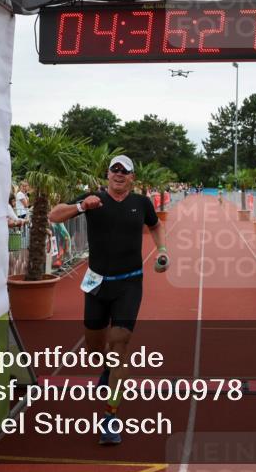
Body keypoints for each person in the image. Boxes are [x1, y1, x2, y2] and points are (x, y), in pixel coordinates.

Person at [48, 154, 168, 446]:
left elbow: (154, 226)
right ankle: (107, 369)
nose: (118, 174)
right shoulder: (93, 199)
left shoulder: (141, 203)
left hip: (130, 282)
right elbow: (54, 215)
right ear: (107, 174)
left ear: (132, 177)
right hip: (97, 284)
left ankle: (110, 417)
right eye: (114, 169)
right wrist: (80, 206)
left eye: (124, 171)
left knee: (120, 341)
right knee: (94, 348)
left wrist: (162, 250)